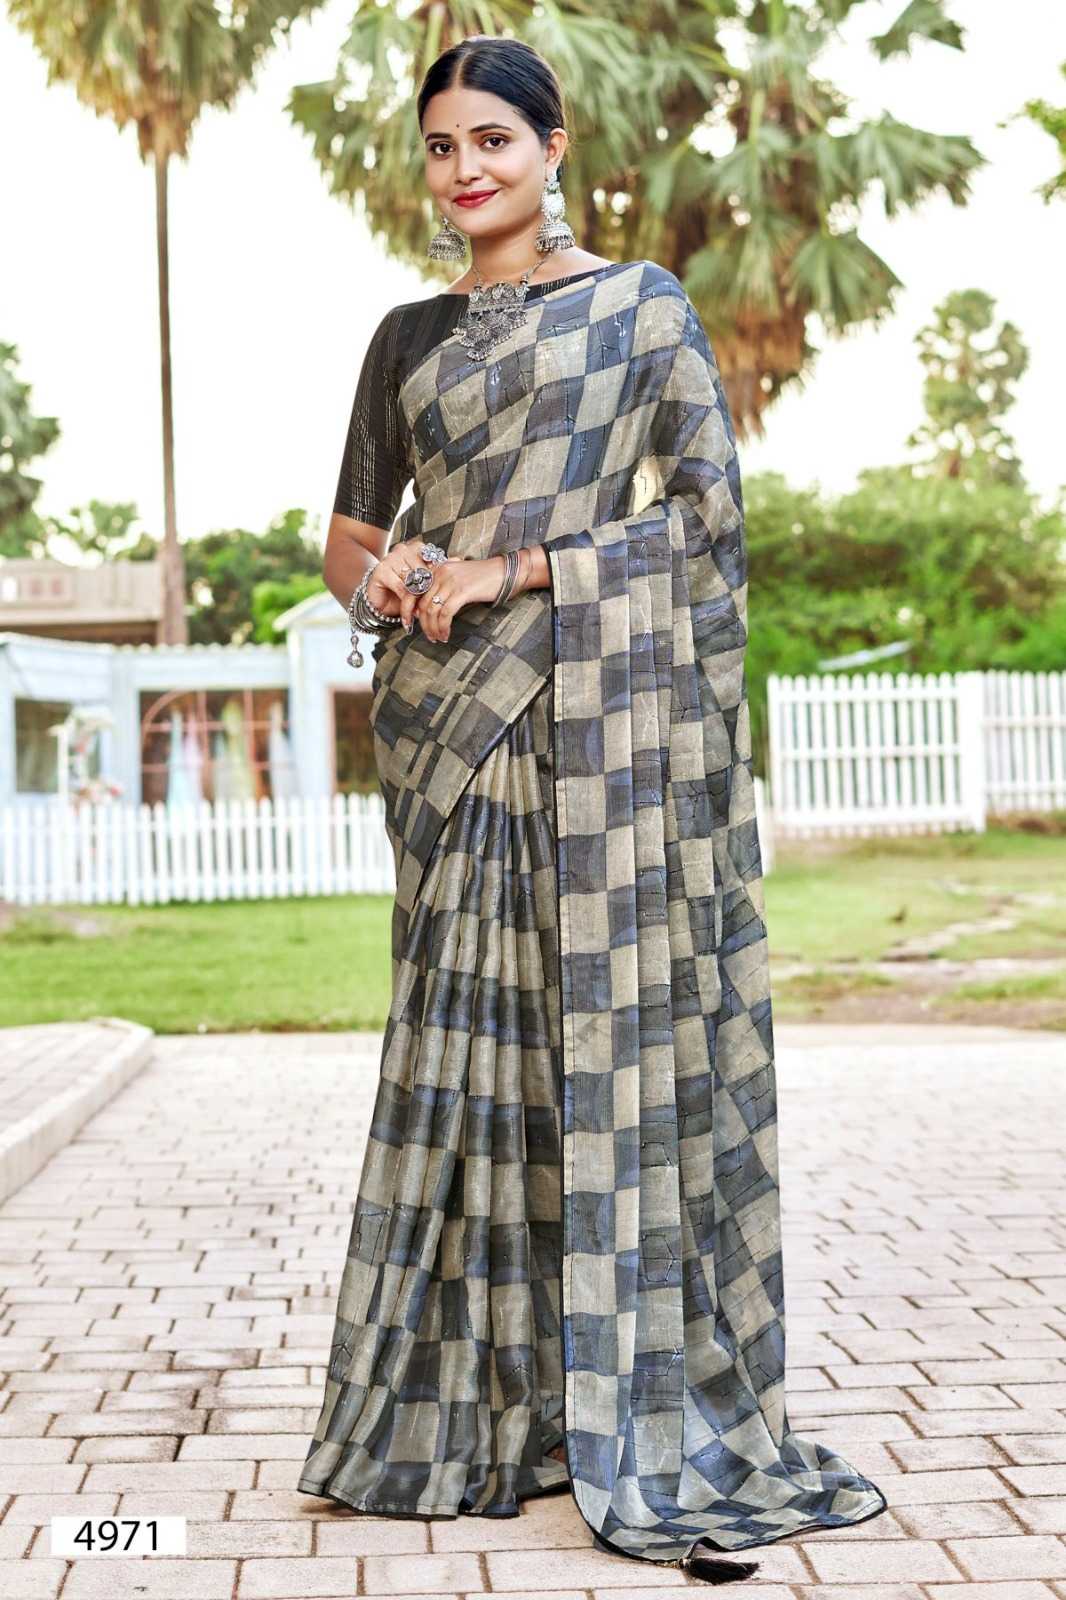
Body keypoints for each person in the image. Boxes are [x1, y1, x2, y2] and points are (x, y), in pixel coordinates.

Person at [297, 33, 888, 1585]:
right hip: (448, 731)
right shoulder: (405, 335)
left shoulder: (639, 310)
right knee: (468, 1052)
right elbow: (345, 534)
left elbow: (700, 519)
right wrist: (396, 571)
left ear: (553, 148)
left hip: (592, 722)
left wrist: (515, 567)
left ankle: (637, 1406)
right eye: (440, 145)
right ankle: (473, 1406)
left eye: (492, 138)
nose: (464, 168)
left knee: (608, 1055)